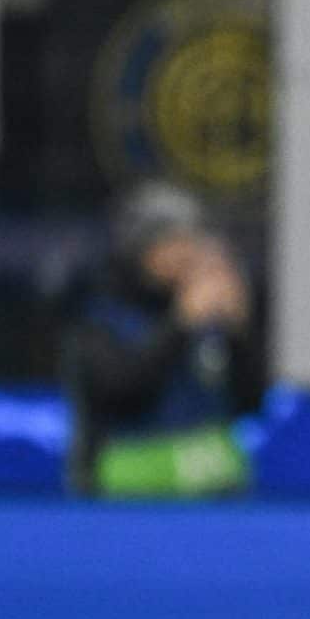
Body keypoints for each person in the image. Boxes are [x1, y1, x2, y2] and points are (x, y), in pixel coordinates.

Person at [62, 182, 265, 496]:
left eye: (191, 240)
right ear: (140, 248)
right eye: (172, 241)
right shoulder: (101, 317)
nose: (186, 253)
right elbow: (121, 391)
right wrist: (180, 325)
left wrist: (239, 333)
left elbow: (251, 403)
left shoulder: (207, 315)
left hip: (217, 499)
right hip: (130, 503)